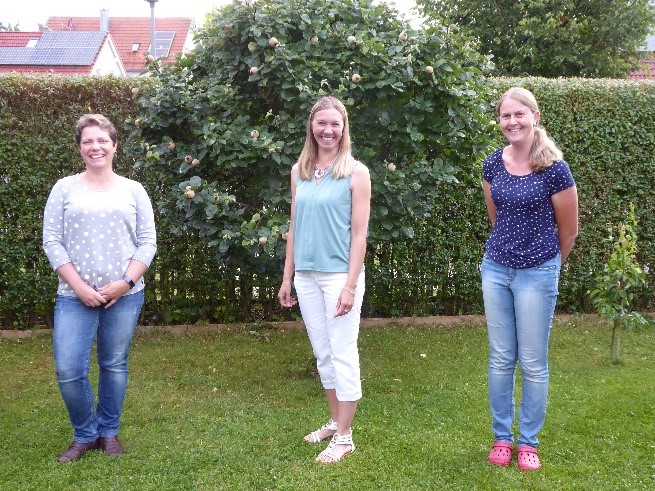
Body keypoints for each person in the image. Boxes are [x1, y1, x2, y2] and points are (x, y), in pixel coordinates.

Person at [42, 114, 157, 463]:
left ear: (114, 145)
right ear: (80, 148)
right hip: (74, 296)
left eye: (102, 140)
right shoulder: (64, 188)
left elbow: (148, 243)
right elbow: (52, 241)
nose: (95, 147)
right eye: (88, 141)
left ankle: (108, 432)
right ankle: (84, 434)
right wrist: (79, 287)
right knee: (68, 368)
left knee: (114, 364)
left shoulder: (133, 190)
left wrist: (124, 284)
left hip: (123, 297)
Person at [481, 87, 578, 471]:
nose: (512, 122)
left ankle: (528, 444)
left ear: (534, 116)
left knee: (534, 363)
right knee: (502, 359)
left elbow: (568, 230)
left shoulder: (554, 168)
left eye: (519, 114)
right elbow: (496, 216)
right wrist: (508, 254)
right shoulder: (492, 164)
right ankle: (502, 438)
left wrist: (547, 266)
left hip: (538, 272)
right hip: (496, 269)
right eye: (506, 116)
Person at [278, 96, 371, 464]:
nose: (328, 130)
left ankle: (345, 438)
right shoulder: (299, 171)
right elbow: (294, 228)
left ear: (343, 128)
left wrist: (349, 285)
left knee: (343, 355)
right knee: (323, 356)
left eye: (335, 124)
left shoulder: (356, 172)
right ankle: (335, 421)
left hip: (338, 278)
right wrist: (288, 277)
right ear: (311, 128)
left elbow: (360, 235)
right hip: (306, 277)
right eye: (321, 123)